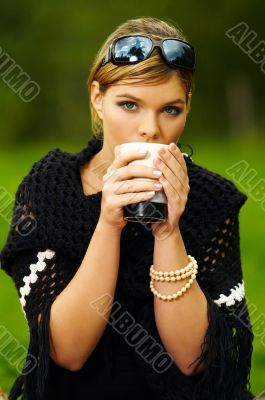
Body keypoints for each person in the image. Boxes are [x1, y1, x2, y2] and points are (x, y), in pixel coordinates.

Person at [0, 16, 254, 400]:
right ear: (97, 97)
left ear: (188, 106)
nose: (150, 129)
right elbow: (65, 352)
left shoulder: (210, 199)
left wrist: (169, 230)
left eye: (170, 109)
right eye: (129, 104)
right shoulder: (51, 189)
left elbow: (193, 359)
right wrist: (108, 223)